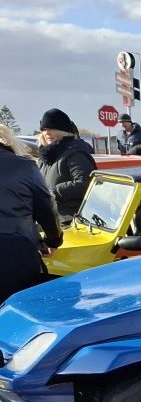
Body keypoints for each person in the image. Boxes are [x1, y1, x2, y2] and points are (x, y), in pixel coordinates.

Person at [0, 124, 61, 301]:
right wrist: (53, 240)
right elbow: (46, 206)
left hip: (17, 247)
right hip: (18, 251)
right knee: (21, 307)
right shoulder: (24, 167)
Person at [36, 108, 97, 221]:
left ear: (63, 131)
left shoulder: (75, 153)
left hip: (72, 220)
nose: (47, 133)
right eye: (44, 129)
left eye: (52, 128)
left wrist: (52, 192)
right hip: (50, 219)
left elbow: (86, 183)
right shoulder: (44, 156)